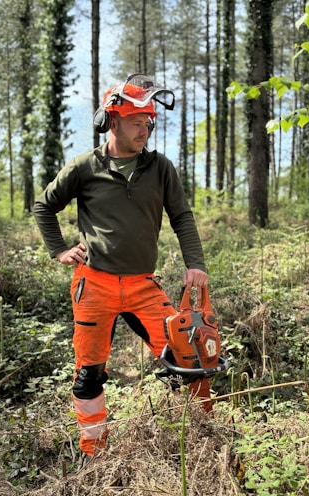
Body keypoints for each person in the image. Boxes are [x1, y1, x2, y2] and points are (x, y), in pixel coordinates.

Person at [33, 74, 211, 459]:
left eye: (148, 122)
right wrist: (60, 250)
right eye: (136, 121)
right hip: (93, 285)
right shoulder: (84, 167)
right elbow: (44, 206)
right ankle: (95, 453)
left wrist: (194, 263)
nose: (144, 129)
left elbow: (182, 216)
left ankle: (203, 442)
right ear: (113, 120)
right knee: (88, 376)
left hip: (143, 285)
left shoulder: (160, 168)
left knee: (189, 357)